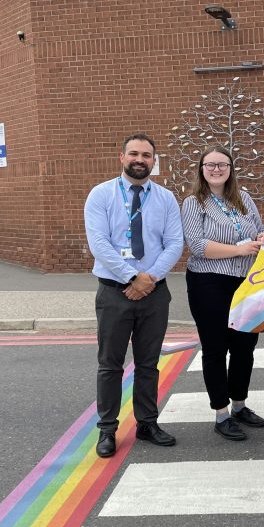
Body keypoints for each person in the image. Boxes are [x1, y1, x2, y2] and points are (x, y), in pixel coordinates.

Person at [84, 133, 184, 456]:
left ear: (154, 161)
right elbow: (99, 244)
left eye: (146, 155)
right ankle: (107, 429)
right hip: (114, 291)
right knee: (110, 365)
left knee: (148, 364)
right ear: (122, 157)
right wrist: (132, 277)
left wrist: (149, 279)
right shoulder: (101, 195)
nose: (140, 160)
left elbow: (174, 243)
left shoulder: (166, 198)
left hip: (154, 293)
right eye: (134, 154)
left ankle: (147, 423)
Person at [181, 146, 264, 442]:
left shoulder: (243, 198)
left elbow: (258, 231)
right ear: (201, 169)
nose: (216, 169)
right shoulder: (194, 203)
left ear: (231, 169)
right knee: (216, 348)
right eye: (210, 164)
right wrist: (239, 250)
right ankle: (221, 413)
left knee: (244, 347)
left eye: (222, 164)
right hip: (209, 283)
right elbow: (197, 246)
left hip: (245, 282)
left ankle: (239, 406)